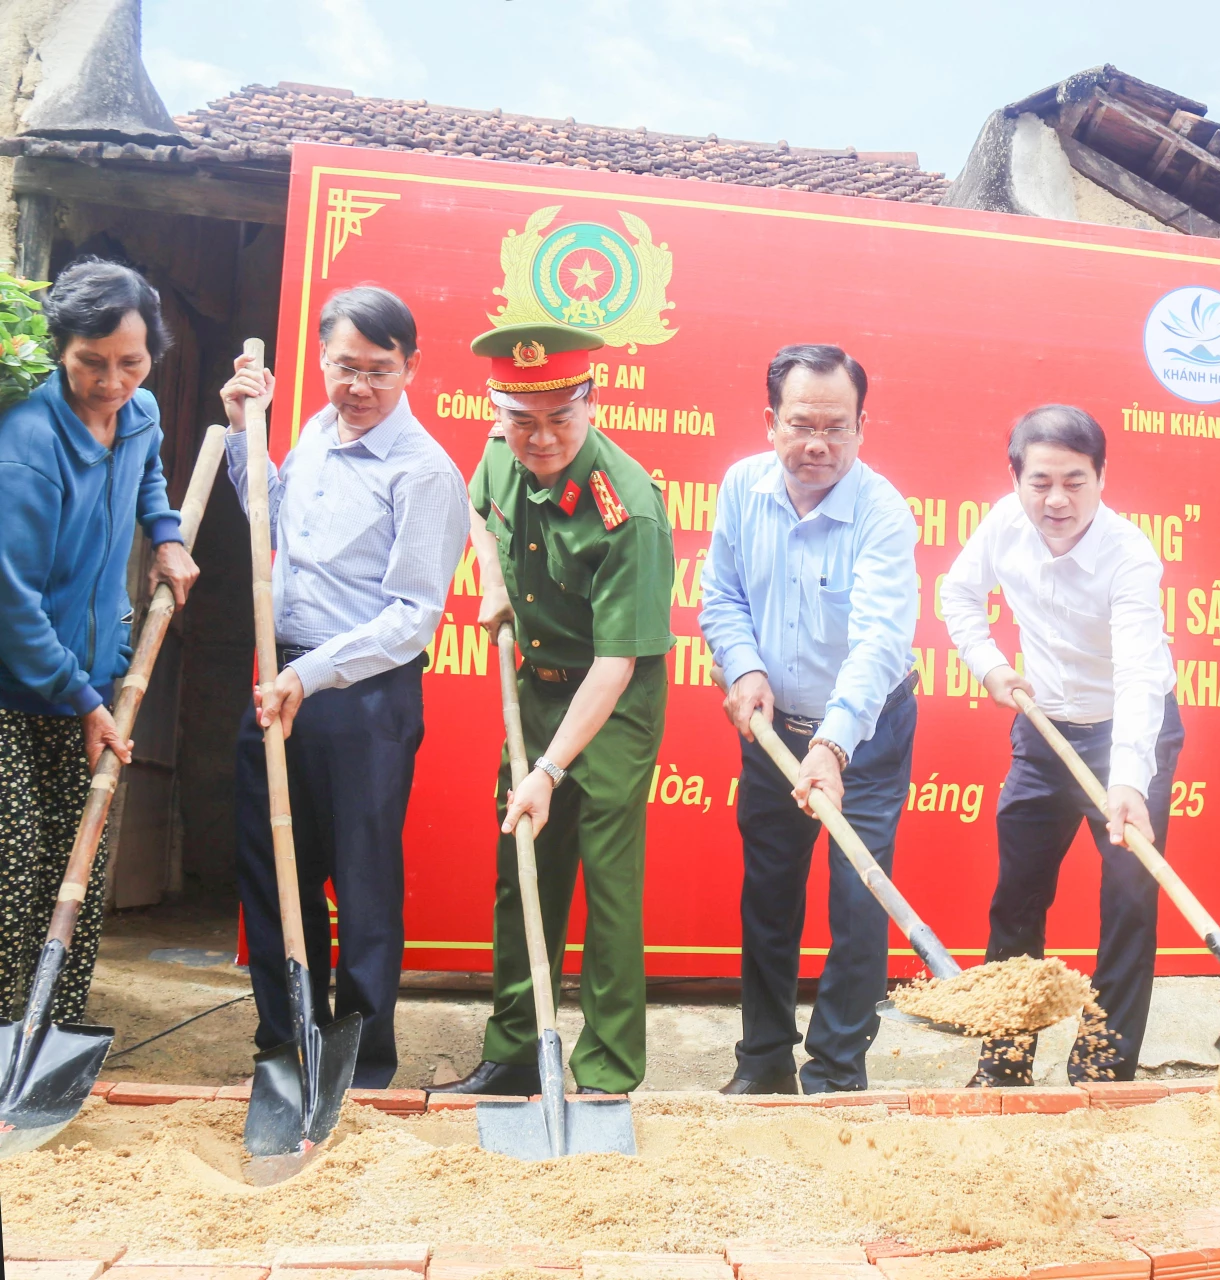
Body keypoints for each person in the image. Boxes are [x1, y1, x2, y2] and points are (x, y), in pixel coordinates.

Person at [221, 286, 468, 1089]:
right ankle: (285, 1040)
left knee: (361, 879)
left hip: (362, 695)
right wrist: (241, 432)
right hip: (278, 673)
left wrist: (309, 674)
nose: (358, 387)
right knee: (272, 867)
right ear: (321, 362)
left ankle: (360, 1063)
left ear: (410, 369)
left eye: (378, 371)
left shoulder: (426, 473)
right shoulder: (318, 435)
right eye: (344, 367)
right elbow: (271, 517)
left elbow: (412, 618)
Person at [440, 322, 674, 1096]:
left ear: (591, 405)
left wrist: (546, 769)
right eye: (521, 419)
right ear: (498, 411)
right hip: (535, 687)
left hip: (611, 704)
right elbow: (478, 508)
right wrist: (496, 583)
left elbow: (615, 665)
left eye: (559, 420)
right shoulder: (498, 454)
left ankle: (607, 1070)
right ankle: (512, 1051)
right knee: (525, 865)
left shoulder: (627, 510)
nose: (539, 440)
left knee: (606, 879)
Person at [700, 344, 919, 1095]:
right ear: (770, 423)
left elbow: (881, 640)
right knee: (768, 892)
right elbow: (722, 597)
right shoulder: (740, 488)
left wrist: (833, 740)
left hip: (866, 733)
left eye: (838, 426)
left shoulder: (884, 514)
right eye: (801, 424)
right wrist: (744, 666)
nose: (818, 443)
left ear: (862, 427)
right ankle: (761, 1061)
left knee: (859, 898)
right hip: (770, 728)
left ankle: (835, 1070)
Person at [941, 405, 1181, 1085]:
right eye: (1040, 481)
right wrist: (990, 666)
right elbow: (958, 596)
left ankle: (1103, 1067)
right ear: (1016, 479)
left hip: (1132, 734)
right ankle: (1006, 1060)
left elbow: (1139, 675)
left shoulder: (1130, 555)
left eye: (1076, 481)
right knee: (1017, 897)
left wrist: (1130, 780)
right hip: (1044, 729)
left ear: (1102, 478)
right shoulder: (1003, 525)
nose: (1057, 500)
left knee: (1129, 899)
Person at [0, 258, 198, 1022]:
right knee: (14, 866)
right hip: (18, 684)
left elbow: (147, 473)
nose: (112, 381)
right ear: (60, 350)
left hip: (91, 679)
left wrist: (168, 535)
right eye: (91, 362)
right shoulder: (25, 447)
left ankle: (54, 1029)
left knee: (76, 866)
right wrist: (87, 701)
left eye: (131, 362)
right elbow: (11, 602)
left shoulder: (139, 414)